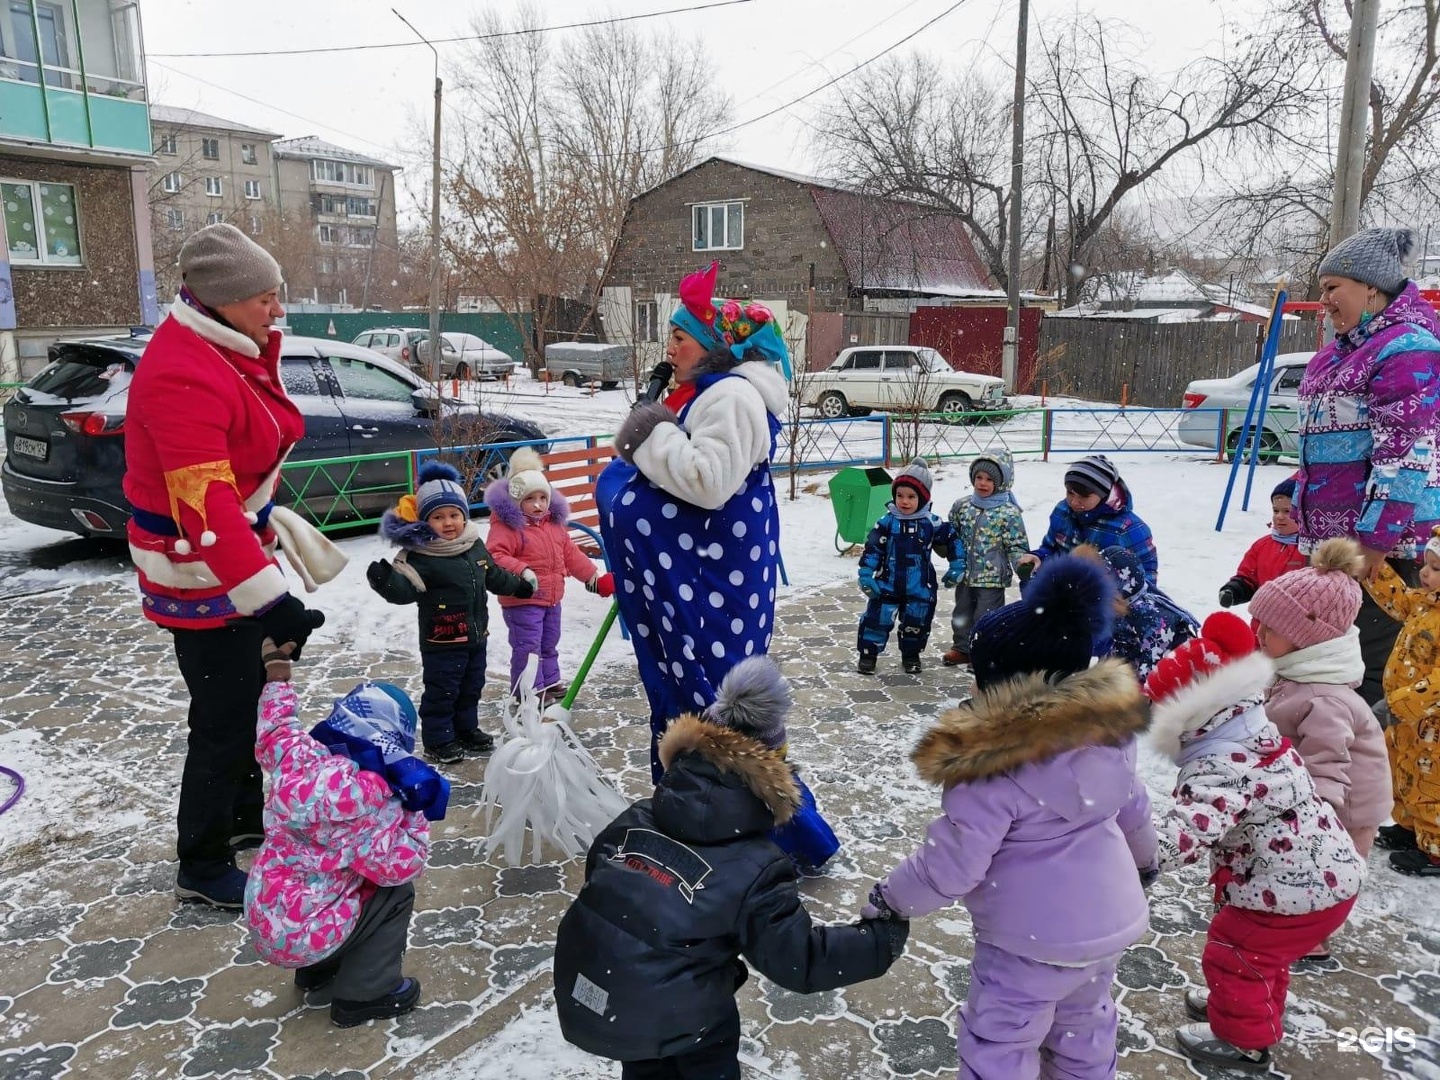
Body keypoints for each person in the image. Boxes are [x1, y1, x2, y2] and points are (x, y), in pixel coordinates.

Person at [865, 555, 1158, 1080]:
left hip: (1029, 941)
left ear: (1008, 689)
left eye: (982, 679)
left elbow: (953, 865)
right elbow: (1134, 807)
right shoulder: (1108, 735)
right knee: (1084, 1026)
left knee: (1001, 1039)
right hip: (1108, 925)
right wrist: (1146, 863)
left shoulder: (990, 769)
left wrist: (890, 899)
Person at [552, 657, 907, 1080]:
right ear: (774, 774)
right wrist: (882, 936)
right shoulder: (757, 869)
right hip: (685, 1020)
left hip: (598, 995)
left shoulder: (633, 818)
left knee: (646, 1063)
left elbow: (604, 880)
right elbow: (800, 960)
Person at [123, 222, 336, 910]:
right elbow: (204, 501)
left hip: (232, 554)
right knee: (221, 719)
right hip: (200, 568)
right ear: (220, 299)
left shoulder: (229, 345)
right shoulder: (181, 370)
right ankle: (203, 860)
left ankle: (245, 818)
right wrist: (271, 600)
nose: (278, 310)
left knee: (248, 701)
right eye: (266, 298)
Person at [1145, 612, 1365, 1072]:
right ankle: (1247, 1007)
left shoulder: (1223, 766)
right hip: (1319, 883)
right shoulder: (1256, 733)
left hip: (1295, 891)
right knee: (1261, 957)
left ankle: (1243, 1041)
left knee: (1235, 951)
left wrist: (1139, 850)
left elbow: (1192, 828)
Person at [598, 261, 790, 782]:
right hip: (702, 578)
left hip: (712, 586)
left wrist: (648, 434)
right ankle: (696, 801)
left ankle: (723, 804)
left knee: (711, 699)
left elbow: (708, 482)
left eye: (679, 337)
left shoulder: (732, 397)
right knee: (696, 704)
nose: (669, 348)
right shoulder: (713, 393)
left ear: (711, 345)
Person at [245, 645, 442, 1028]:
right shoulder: (371, 806)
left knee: (334, 883)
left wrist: (278, 675)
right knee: (393, 894)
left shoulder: (299, 756)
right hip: (307, 932)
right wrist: (413, 808)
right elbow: (405, 864)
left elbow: (277, 727)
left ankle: (317, 972)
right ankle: (366, 994)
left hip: (265, 913)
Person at [1295, 227, 1440, 704]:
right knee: (1326, 666)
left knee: (1372, 676)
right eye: (1321, 291)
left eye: (1333, 288)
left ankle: (1369, 775)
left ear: (1371, 287)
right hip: (1335, 546)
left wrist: (1373, 540)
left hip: (1383, 549)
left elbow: (1406, 452)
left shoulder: (1407, 348)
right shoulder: (1336, 355)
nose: (1325, 301)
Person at [1248, 539, 1392, 959]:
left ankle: (1309, 936)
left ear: (1307, 639)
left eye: (1271, 628)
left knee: (1322, 875)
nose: (1259, 633)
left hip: (1342, 811)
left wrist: (1308, 823)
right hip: (1316, 797)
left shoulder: (1324, 697)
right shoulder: (1295, 674)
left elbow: (1328, 767)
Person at [367, 462, 536, 765]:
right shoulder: (421, 557)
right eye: (438, 517)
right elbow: (405, 591)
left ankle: (466, 729)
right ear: (424, 522)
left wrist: (519, 587)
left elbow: (493, 574)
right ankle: (438, 739)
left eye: (454, 515)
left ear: (464, 516)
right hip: (442, 641)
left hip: (475, 636)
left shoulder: (473, 545)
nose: (449, 523)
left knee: (471, 688)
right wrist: (385, 581)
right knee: (442, 692)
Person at [482, 446, 615, 701]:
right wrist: (523, 570)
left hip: (551, 597)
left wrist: (592, 578)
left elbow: (571, 553)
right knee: (527, 646)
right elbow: (495, 556)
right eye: (530, 499)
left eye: (542, 498)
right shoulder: (508, 526)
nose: (538, 505)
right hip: (523, 599)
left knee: (548, 642)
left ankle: (549, 681)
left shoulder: (553, 525)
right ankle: (528, 690)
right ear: (517, 501)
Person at [1361, 525, 1440, 876]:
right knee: (1402, 771)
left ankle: (1436, 847)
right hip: (1408, 723)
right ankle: (1410, 829)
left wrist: (1400, 704)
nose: (1424, 573)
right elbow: (1398, 600)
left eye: (1436, 568)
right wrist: (1372, 569)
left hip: (1432, 728)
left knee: (1431, 786)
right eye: (1426, 563)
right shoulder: (1425, 604)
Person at [856, 458, 964, 675]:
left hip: (920, 586)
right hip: (887, 583)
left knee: (917, 622)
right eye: (900, 495)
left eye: (911, 497)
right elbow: (873, 548)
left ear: (923, 498)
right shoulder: (887, 522)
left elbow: (953, 541)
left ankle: (911, 655)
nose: (904, 501)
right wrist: (866, 573)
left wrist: (957, 566)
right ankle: (868, 654)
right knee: (876, 619)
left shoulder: (931, 523)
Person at [943, 449, 1029, 667]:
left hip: (992, 577)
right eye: (979, 477)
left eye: (989, 479)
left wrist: (1023, 565)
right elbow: (952, 532)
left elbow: (1016, 544)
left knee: (986, 618)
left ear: (1001, 483)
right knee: (961, 613)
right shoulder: (963, 506)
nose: (982, 483)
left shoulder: (1008, 512)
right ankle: (962, 648)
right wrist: (943, 546)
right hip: (965, 573)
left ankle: (983, 654)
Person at [1017, 454, 1158, 587]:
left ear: (1103, 495)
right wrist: (1039, 558)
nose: (1073, 502)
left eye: (1083, 496)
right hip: (1064, 594)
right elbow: (1052, 548)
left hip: (1102, 603)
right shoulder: (1062, 511)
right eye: (1070, 493)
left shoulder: (1128, 528)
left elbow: (1145, 577)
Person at [1088, 544, 1199, 683]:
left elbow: (1152, 675)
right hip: (1141, 669)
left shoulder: (1154, 620)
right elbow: (1115, 653)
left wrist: (1125, 696)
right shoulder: (1118, 608)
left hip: (1179, 678)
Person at [1218, 477, 1308, 609]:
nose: (1279, 516)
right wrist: (1234, 591)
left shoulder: (1311, 549)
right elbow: (1248, 577)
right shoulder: (1262, 545)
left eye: (1287, 511)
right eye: (1275, 510)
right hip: (1262, 622)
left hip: (1299, 623)